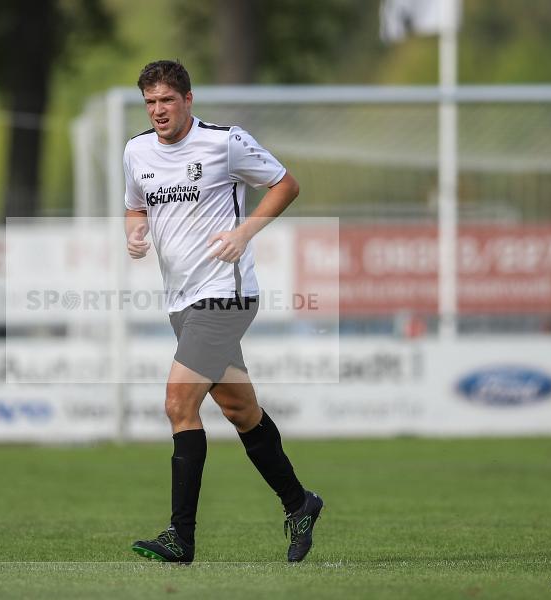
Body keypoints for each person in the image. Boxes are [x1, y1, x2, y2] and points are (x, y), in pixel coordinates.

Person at [124, 60, 322, 564]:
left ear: (189, 100)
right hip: (181, 301)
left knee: (178, 403)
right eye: (150, 102)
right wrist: (134, 229)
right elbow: (135, 204)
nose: (158, 110)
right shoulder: (136, 150)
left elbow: (285, 183)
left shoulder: (224, 142)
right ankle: (300, 504)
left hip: (225, 294)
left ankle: (180, 537)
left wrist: (243, 233)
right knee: (240, 411)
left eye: (167, 100)